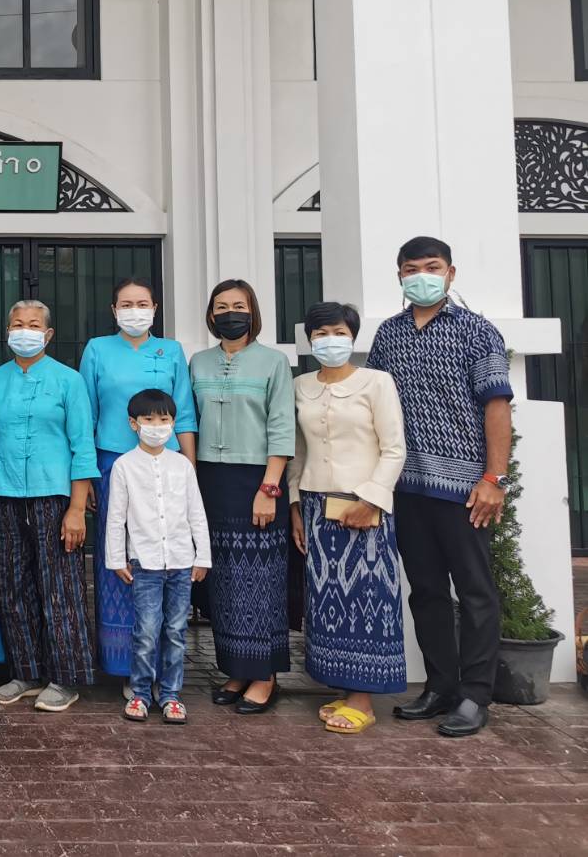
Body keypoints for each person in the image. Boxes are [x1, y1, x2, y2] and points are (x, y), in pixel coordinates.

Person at [367, 236, 513, 738]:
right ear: (399, 276)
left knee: (475, 593)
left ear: (451, 273)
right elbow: (374, 406)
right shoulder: (388, 335)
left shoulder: (477, 332)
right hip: (407, 487)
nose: (421, 276)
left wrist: (494, 478)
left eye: (432, 267)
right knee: (426, 592)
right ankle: (440, 686)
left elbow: (497, 405)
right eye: (411, 269)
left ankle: (475, 695)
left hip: (464, 489)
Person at [291, 302, 407, 734]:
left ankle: (364, 700)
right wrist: (295, 506)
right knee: (327, 599)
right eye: (320, 334)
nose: (329, 341)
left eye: (338, 332)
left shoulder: (376, 382)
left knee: (367, 595)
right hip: (317, 505)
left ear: (352, 336)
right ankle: (344, 687)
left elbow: (394, 448)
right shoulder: (300, 385)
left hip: (364, 507)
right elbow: (297, 450)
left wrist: (372, 499)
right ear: (309, 340)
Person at [0, 300, 101, 713]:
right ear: (7, 332)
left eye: (34, 325)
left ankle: (65, 676)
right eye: (17, 324)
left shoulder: (69, 381)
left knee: (60, 586)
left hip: (55, 496)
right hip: (2, 493)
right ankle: (25, 671)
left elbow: (82, 445)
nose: (25, 331)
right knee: (10, 586)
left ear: (48, 334)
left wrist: (77, 507)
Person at [79, 277, 197, 681]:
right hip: (112, 464)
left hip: (167, 464)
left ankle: (162, 665)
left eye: (142, 303)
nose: (134, 311)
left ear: (155, 308)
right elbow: (87, 415)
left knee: (161, 556)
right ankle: (121, 662)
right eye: (126, 304)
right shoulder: (97, 349)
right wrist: (87, 475)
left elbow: (184, 414)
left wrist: (190, 468)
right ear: (114, 310)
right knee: (119, 555)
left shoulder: (171, 351)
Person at [188, 279, 295, 714]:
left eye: (238, 305)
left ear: (252, 311)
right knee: (223, 581)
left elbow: (282, 425)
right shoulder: (198, 362)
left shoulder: (274, 362)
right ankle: (236, 669)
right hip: (210, 479)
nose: (230, 313)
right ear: (211, 315)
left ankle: (264, 675)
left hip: (258, 480)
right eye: (221, 306)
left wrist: (269, 488)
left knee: (260, 578)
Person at [106, 389, 211, 725]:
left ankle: (171, 695)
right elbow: (116, 517)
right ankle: (139, 693)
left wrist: (202, 556)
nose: (156, 425)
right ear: (133, 423)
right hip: (145, 563)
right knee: (147, 631)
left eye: (163, 419)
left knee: (176, 630)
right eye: (148, 419)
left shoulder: (182, 465)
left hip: (181, 562)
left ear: (173, 423)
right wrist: (116, 559)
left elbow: (196, 513)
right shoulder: (124, 466)